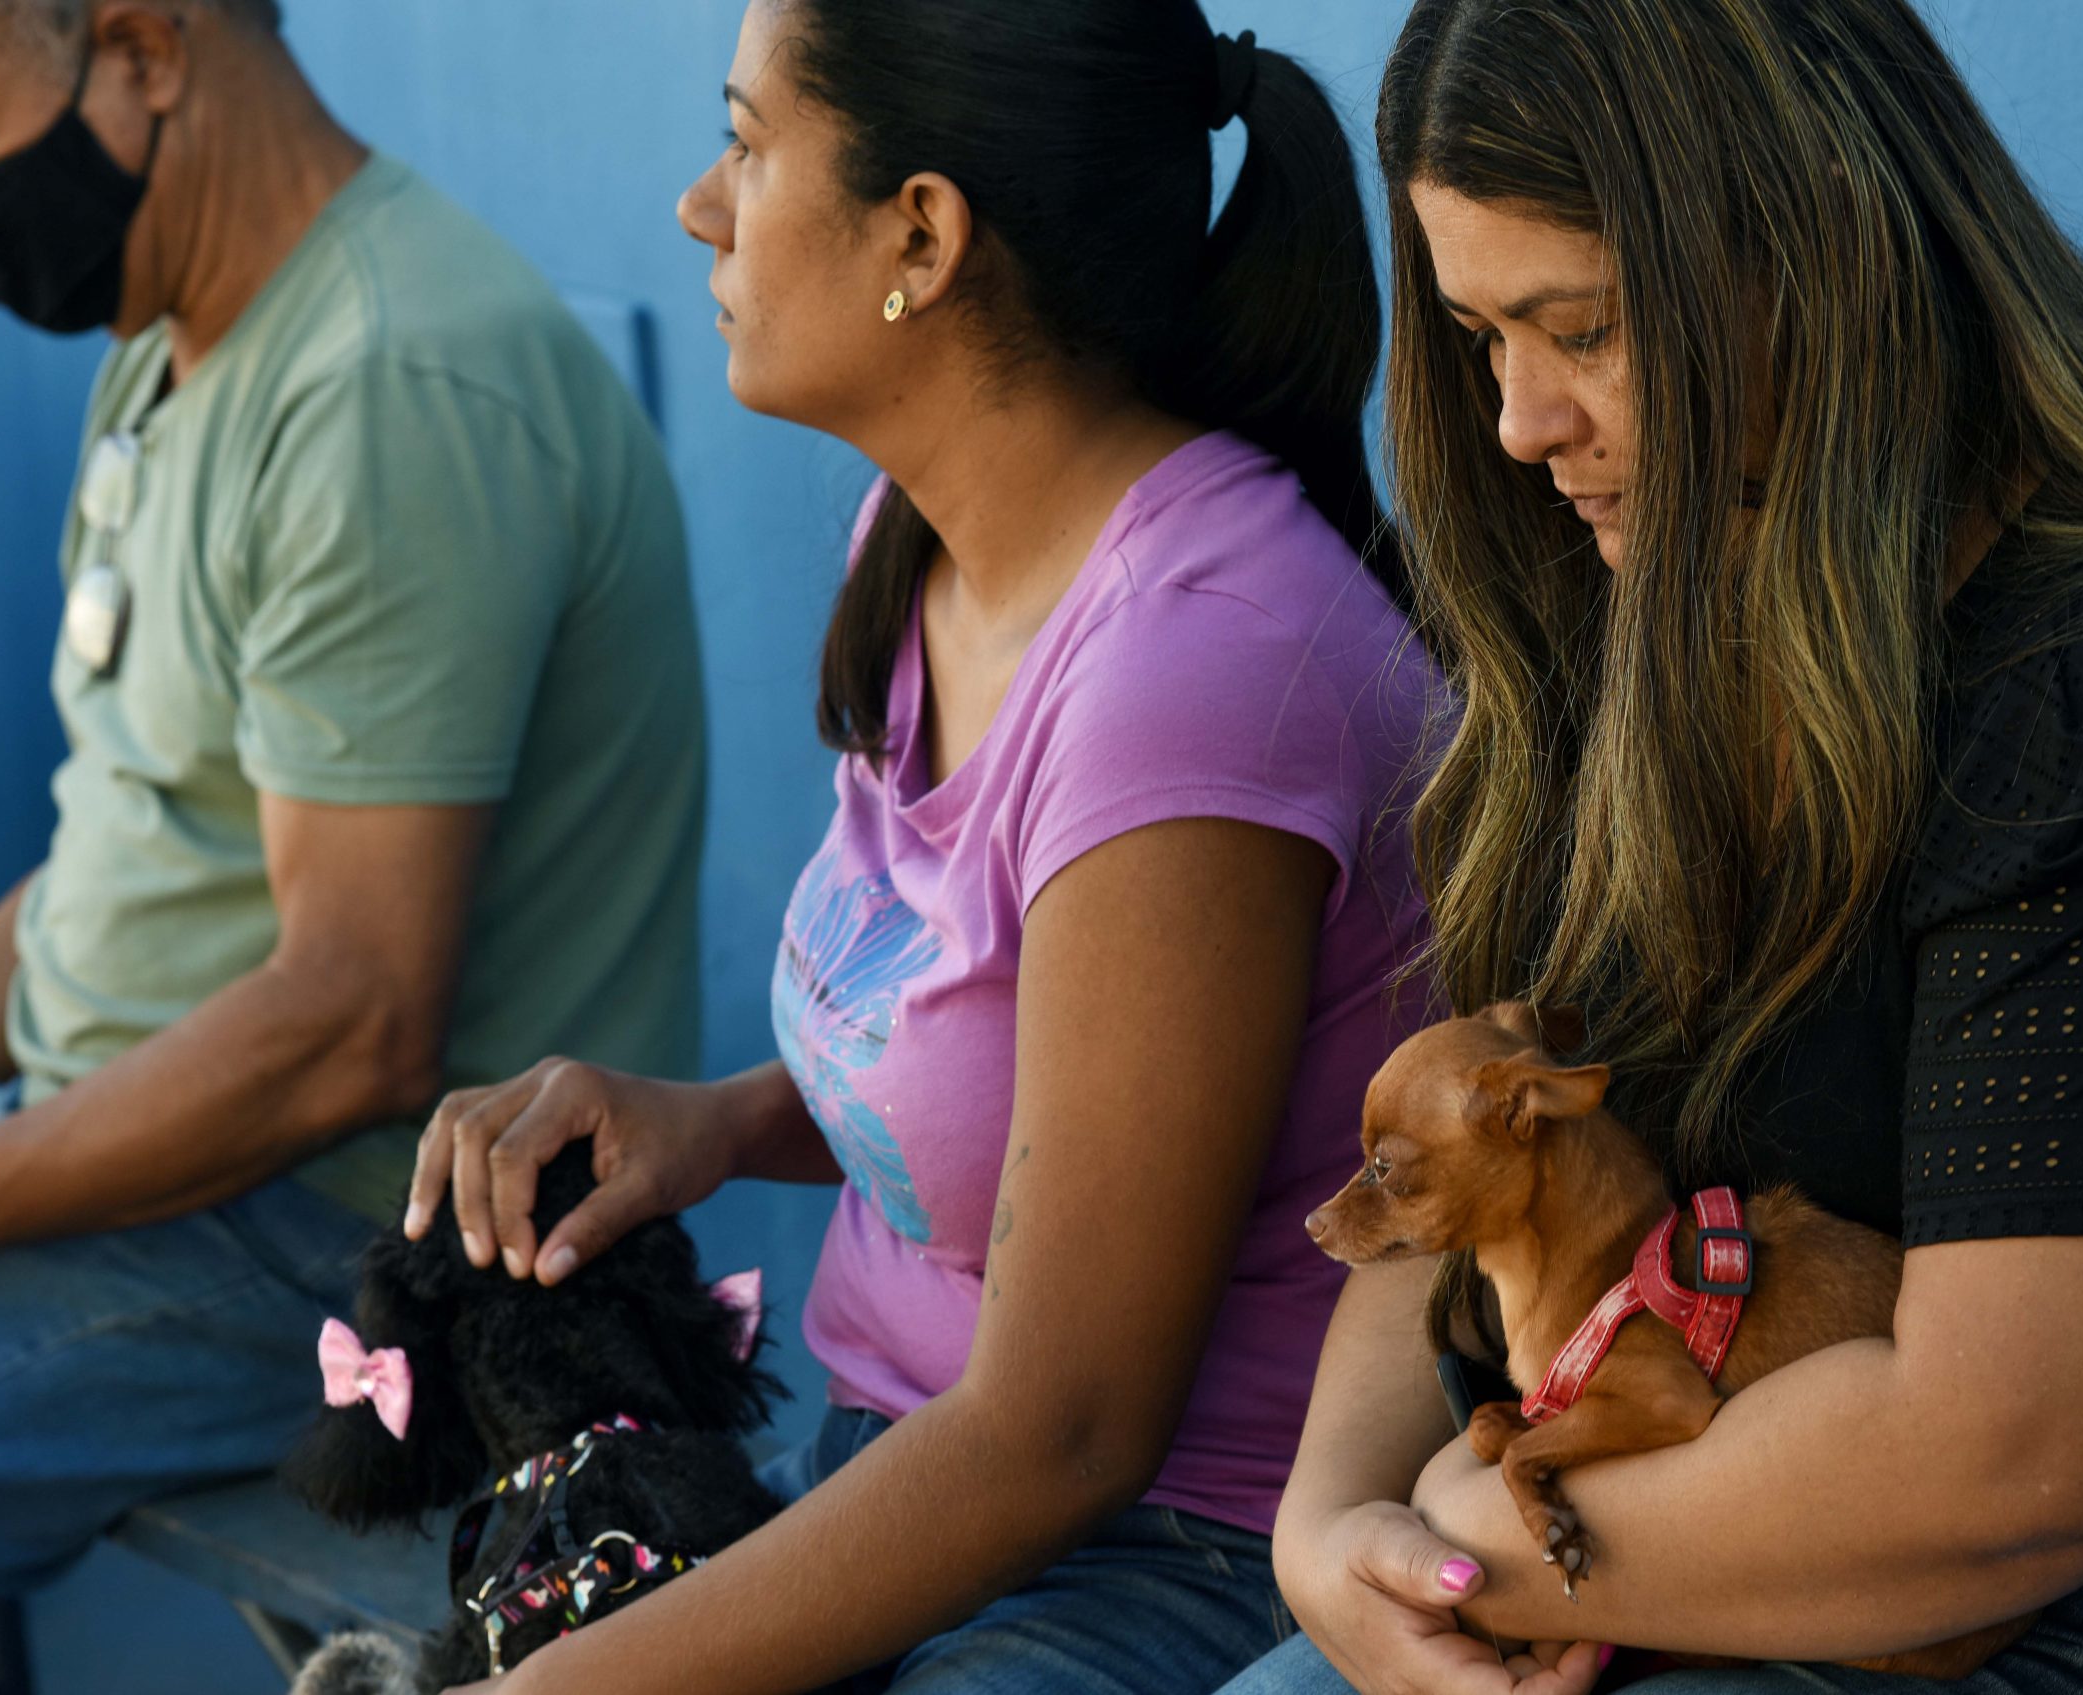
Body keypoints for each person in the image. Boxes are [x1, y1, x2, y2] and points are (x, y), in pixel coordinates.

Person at [1216, 2, 2083, 1692]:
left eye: (1588, 329)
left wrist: (1474, 1540)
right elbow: (1477, 1166)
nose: (1518, 424)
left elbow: (1999, 1478)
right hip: (1605, 1553)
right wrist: (1334, 1534)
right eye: (1485, 337)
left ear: (1819, 258)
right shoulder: (1622, 607)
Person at [404, 3, 1438, 1692]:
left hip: (1170, 1558)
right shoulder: (933, 537)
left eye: (747, 143)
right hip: (904, 1470)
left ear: (923, 234)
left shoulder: (1193, 673)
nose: (698, 204)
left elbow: (1069, 1430)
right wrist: (715, 1123)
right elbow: (1017, 1072)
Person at [0, 0, 703, 1612]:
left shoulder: (392, 386)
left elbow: (349, 1024)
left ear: (146, 48)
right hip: (141, 1170)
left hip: (337, 1244)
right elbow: (131, 847)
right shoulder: (172, 341)